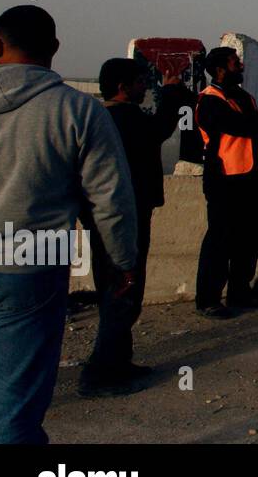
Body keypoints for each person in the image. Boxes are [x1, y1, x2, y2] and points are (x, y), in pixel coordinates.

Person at [0, 6, 137, 443]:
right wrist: (123, 263)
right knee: (13, 404)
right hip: (30, 265)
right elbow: (111, 201)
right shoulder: (78, 110)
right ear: (54, 49)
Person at [80, 57, 191, 397]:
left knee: (121, 290)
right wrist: (172, 94)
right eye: (140, 81)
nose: (145, 86)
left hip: (111, 216)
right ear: (122, 86)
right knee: (122, 290)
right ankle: (99, 373)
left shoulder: (101, 117)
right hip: (122, 219)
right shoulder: (123, 118)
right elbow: (158, 131)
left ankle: (118, 361)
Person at [194, 47, 258, 317]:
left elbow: (255, 124)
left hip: (248, 177)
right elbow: (244, 127)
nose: (241, 65)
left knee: (250, 237)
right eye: (236, 62)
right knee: (220, 240)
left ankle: (239, 291)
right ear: (221, 69)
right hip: (224, 180)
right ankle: (208, 299)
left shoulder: (243, 97)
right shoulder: (210, 100)